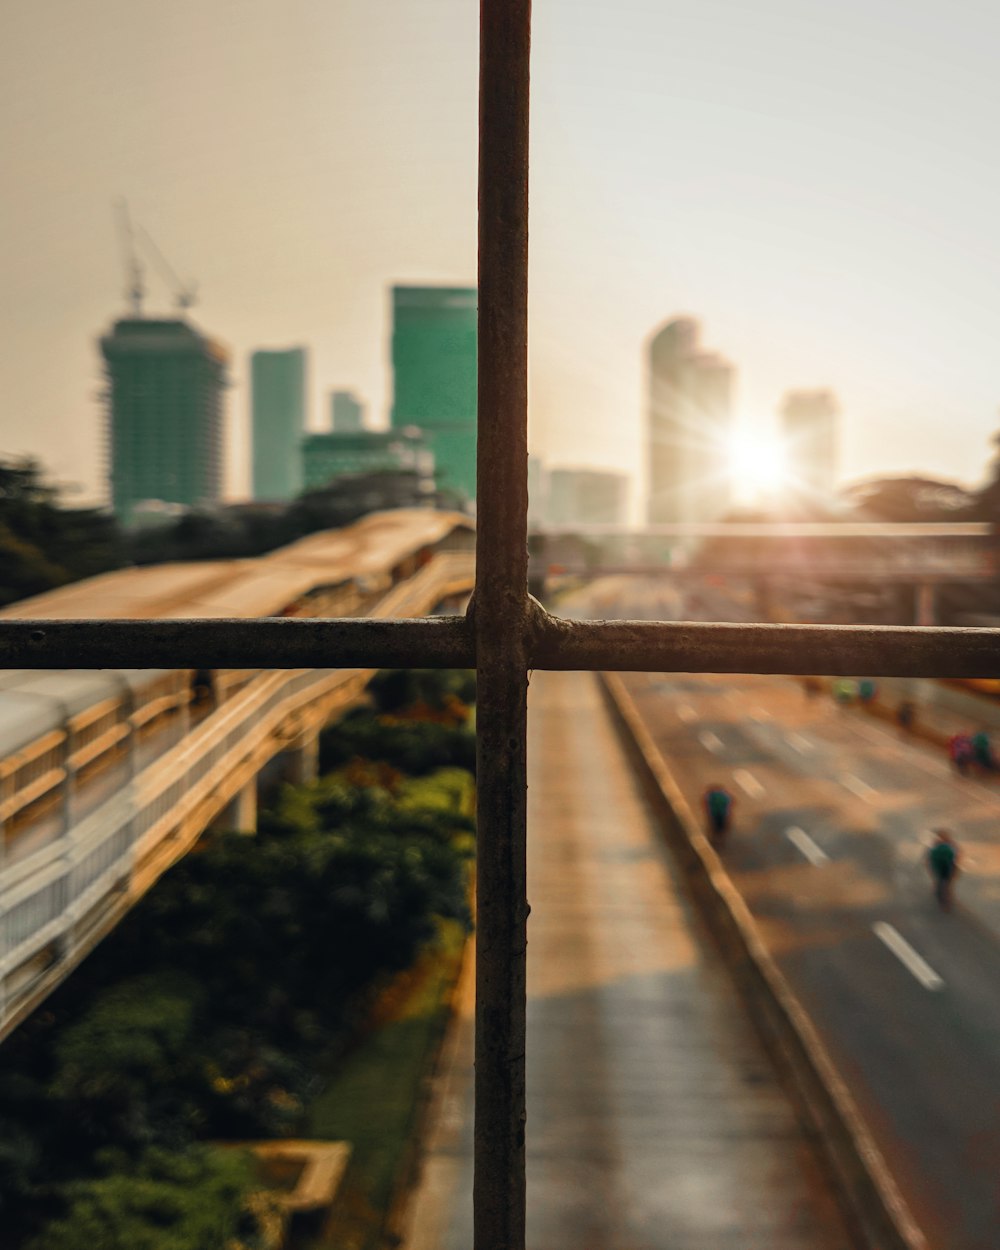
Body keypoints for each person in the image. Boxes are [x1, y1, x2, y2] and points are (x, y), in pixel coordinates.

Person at [927, 829, 960, 910]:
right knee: (946, 884)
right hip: (945, 867)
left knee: (944, 883)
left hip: (943, 867)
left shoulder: (936, 845)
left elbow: (930, 858)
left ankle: (944, 899)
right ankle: (945, 899)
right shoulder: (951, 844)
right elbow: (957, 856)